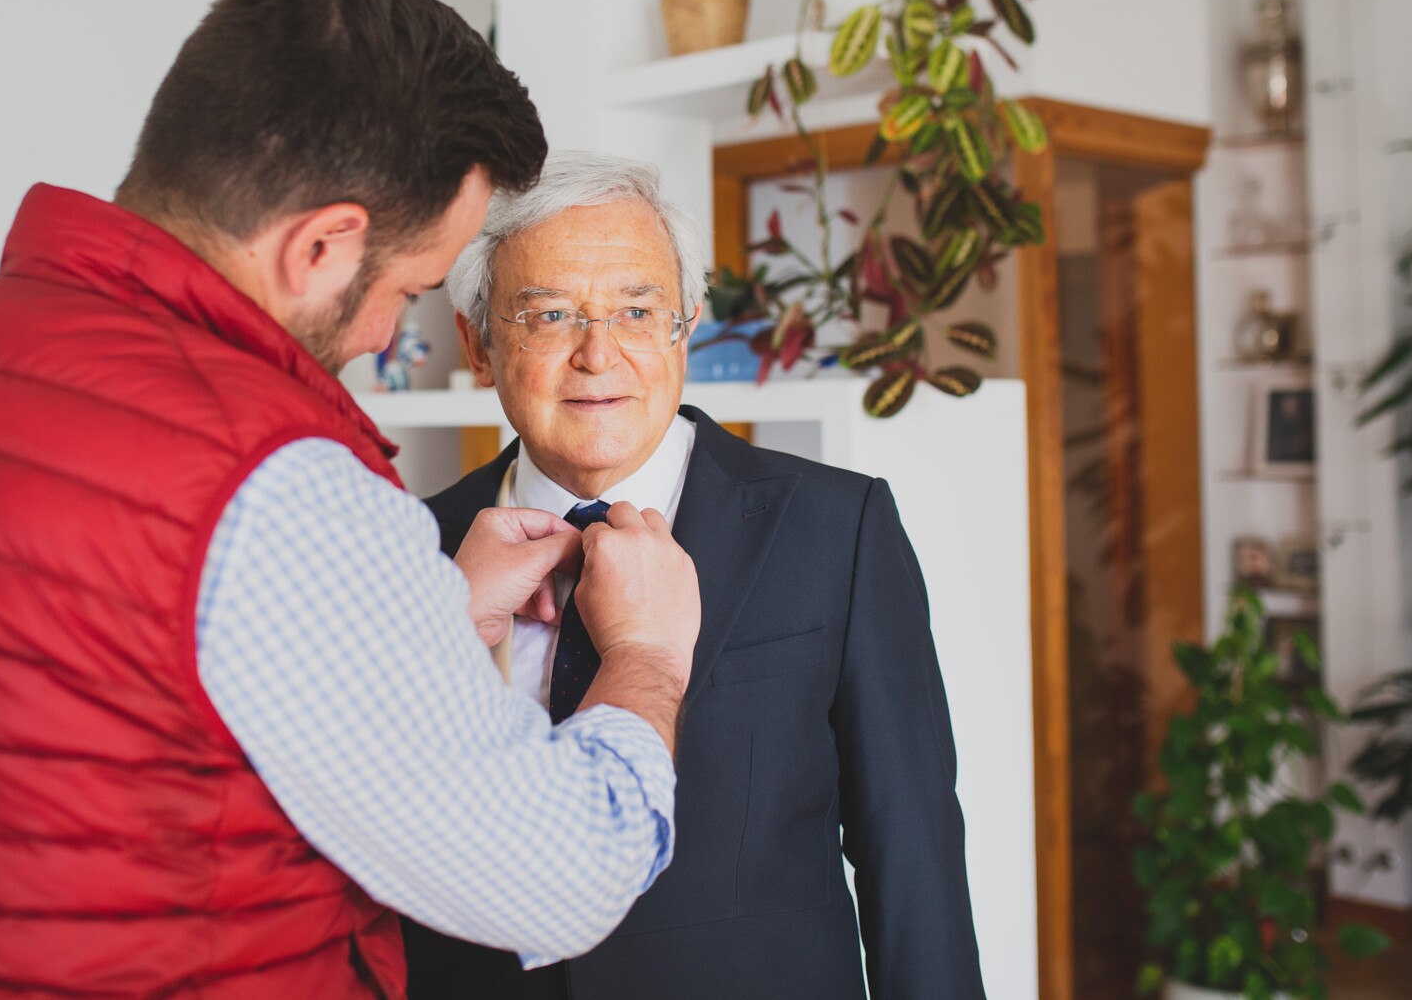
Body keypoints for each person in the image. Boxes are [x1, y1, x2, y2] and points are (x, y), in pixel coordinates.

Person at [0, 0, 701, 998]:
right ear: (321, 247)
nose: (390, 331)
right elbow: (559, 879)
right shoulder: (269, 482)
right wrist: (647, 656)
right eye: (411, 288)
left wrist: (411, 622)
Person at [404, 152, 986, 998]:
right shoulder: (411, 548)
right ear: (480, 344)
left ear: (689, 327)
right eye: (551, 314)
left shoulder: (835, 527)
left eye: (638, 311)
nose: (598, 354)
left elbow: (913, 854)